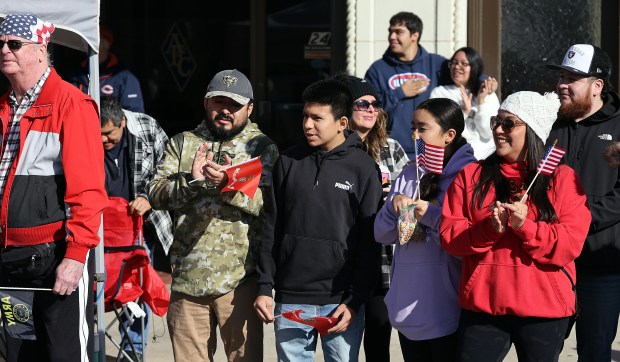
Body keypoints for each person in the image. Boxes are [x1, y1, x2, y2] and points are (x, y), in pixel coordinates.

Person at [440, 91, 591, 361]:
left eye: (508, 123)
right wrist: (489, 229)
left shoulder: (564, 178)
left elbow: (570, 244)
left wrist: (526, 227)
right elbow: (450, 238)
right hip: (484, 307)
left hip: (544, 309)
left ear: (532, 130)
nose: (498, 129)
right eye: (496, 122)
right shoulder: (470, 175)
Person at [148, 69, 278, 361]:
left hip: (239, 281)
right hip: (187, 281)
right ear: (206, 103)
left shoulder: (262, 148)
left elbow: (272, 206)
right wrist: (191, 183)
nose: (225, 111)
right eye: (218, 102)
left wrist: (230, 186)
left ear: (250, 108)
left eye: (234, 105)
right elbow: (155, 194)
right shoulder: (182, 143)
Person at [0, 13, 107, 360]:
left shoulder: (71, 104)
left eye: (14, 44)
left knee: (62, 354)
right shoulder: (4, 107)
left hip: (54, 258)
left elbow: (88, 191)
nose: (4, 49)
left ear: (40, 50)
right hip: (10, 258)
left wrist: (76, 257)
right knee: (16, 354)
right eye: (0, 43)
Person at [254, 79, 382, 361]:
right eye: (305, 116)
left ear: (342, 122)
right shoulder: (287, 162)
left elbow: (369, 242)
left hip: (339, 302)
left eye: (317, 118)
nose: (307, 125)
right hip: (290, 298)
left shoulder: (364, 169)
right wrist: (265, 287)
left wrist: (354, 300)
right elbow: (272, 228)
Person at [374, 98, 476, 361]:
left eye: (422, 128)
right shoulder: (409, 174)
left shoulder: (469, 175)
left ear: (449, 135)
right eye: (412, 128)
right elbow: (381, 234)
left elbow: (469, 238)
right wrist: (391, 208)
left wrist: (430, 215)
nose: (414, 135)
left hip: (446, 308)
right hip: (407, 308)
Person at [546, 44, 620, 361]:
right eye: (561, 76)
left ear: (597, 85)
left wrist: (580, 219)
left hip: (601, 265)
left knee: (594, 351)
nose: (562, 84)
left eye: (572, 77)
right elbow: (539, 178)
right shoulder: (554, 125)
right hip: (553, 261)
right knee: (544, 346)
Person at [334, 74, 408, 361]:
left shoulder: (392, 149)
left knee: (378, 345)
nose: (370, 109)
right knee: (341, 345)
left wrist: (394, 199)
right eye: (361, 103)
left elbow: (412, 202)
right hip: (344, 261)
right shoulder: (333, 152)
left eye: (375, 104)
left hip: (384, 263)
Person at [99, 96, 173, 361]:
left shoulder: (146, 127)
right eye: (100, 136)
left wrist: (150, 198)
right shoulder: (86, 131)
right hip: (99, 230)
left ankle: (133, 348)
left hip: (139, 229)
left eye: (109, 135)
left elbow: (170, 170)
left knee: (136, 287)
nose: (104, 141)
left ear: (122, 122)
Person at [365, 11, 449, 159]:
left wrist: (483, 82)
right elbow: (368, 108)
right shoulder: (377, 69)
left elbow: (465, 71)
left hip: (431, 147)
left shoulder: (436, 64)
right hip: (391, 148)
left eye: (398, 32)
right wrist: (399, 93)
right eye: (390, 32)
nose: (392, 37)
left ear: (414, 36)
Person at [430, 47, 500, 159]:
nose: (457, 67)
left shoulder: (487, 93)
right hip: (455, 159)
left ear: (474, 67)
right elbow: (440, 129)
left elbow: (488, 132)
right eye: (454, 62)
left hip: (484, 159)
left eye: (464, 63)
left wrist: (481, 102)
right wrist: (465, 112)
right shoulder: (440, 93)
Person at [70, 25, 145, 112]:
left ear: (107, 43)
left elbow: (134, 115)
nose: (88, 42)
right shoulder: (75, 74)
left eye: (94, 38)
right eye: (87, 38)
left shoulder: (125, 77)